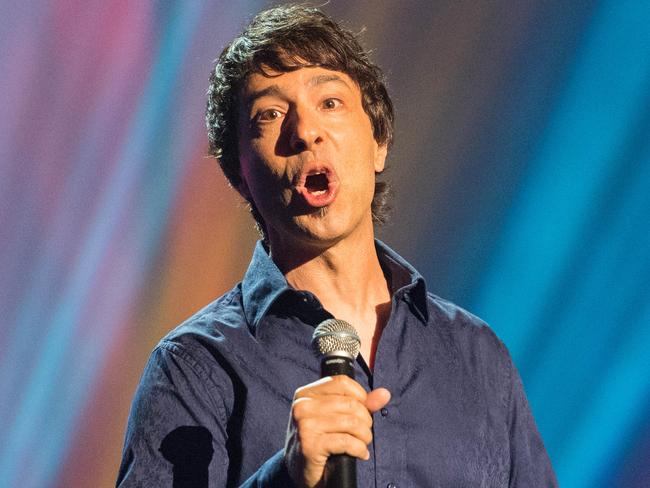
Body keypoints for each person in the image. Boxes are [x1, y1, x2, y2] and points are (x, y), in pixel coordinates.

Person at [117, 4, 557, 487]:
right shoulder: (195, 367)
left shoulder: (476, 356)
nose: (305, 131)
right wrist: (285, 478)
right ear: (240, 176)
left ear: (379, 141)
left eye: (329, 102)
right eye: (270, 114)